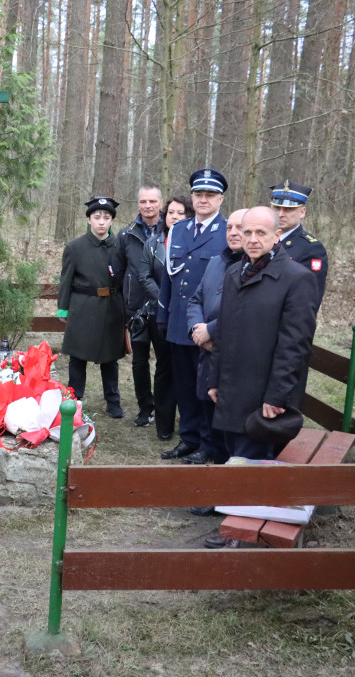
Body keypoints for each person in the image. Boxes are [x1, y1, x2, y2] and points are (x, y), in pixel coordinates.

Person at [207, 206, 317, 462]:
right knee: (229, 456)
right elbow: (222, 332)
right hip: (230, 390)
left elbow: (295, 346)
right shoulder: (235, 273)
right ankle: (223, 501)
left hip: (263, 396)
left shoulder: (297, 279)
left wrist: (277, 397)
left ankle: (233, 501)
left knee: (251, 464)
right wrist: (214, 379)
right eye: (247, 232)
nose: (253, 239)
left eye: (261, 232)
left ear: (277, 235)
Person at [157, 169, 229, 461]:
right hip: (178, 322)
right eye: (198, 194)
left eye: (210, 195)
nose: (203, 200)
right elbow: (168, 276)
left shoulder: (228, 231)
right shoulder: (179, 229)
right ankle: (187, 438)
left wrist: (213, 327)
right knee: (183, 386)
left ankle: (205, 443)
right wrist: (163, 315)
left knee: (205, 390)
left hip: (206, 325)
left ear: (220, 199)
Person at [183, 208, 247, 471]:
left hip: (235, 357)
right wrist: (196, 331)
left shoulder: (253, 267)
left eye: (240, 227)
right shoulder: (216, 261)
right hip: (207, 353)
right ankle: (210, 460)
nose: (233, 232)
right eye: (230, 227)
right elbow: (196, 298)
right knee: (207, 410)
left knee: (230, 425)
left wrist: (211, 329)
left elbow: (247, 309)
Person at [57, 196, 126, 418]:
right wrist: (63, 308)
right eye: (97, 217)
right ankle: (74, 399)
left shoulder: (120, 246)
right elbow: (66, 279)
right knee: (78, 357)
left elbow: (127, 278)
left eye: (106, 218)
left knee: (110, 358)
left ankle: (113, 400)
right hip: (83, 308)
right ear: (89, 220)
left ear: (112, 221)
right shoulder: (75, 247)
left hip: (113, 308)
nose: (101, 222)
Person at [139, 195, 192, 441]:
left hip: (188, 315)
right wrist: (164, 300)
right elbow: (144, 276)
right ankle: (163, 422)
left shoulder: (194, 244)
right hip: (158, 314)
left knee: (186, 370)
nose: (174, 217)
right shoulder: (152, 242)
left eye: (180, 213)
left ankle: (189, 422)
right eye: (171, 212)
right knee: (164, 368)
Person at [118, 185, 163, 427]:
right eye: (143, 201)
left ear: (160, 203)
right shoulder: (127, 235)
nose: (148, 206)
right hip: (136, 308)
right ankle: (145, 407)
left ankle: (164, 407)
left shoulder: (172, 231)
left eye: (152, 201)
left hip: (163, 307)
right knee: (139, 361)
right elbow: (117, 272)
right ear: (138, 204)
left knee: (165, 362)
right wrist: (124, 303)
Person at [269, 180, 328, 312]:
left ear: (302, 212)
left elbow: (309, 301)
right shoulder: (261, 239)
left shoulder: (312, 249)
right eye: (277, 208)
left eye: (288, 209)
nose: (280, 214)